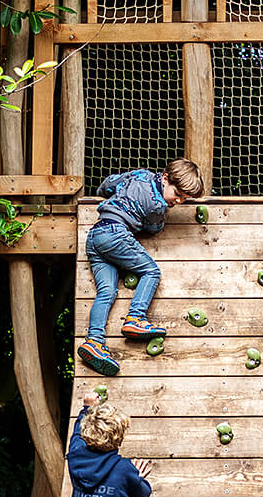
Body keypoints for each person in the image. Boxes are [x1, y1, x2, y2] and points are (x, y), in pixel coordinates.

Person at [77, 158, 206, 377]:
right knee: (151, 272)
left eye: (184, 199)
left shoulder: (139, 175)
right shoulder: (157, 206)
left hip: (96, 236)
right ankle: (135, 318)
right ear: (165, 178)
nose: (178, 202)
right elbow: (153, 228)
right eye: (177, 194)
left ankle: (94, 342)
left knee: (107, 292)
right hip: (116, 234)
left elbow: (108, 184)